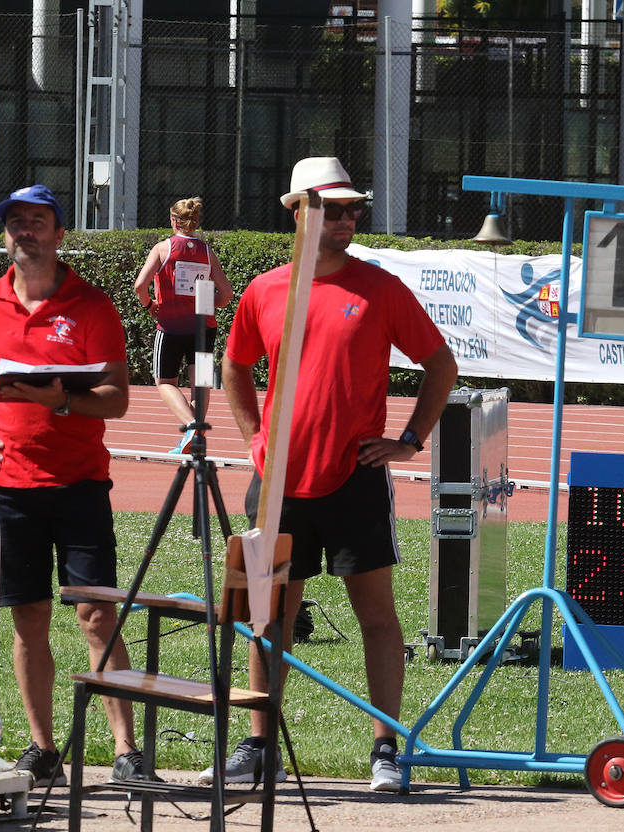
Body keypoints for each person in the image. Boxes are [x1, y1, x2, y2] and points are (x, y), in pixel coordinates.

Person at [205, 157, 457, 793]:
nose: (347, 219)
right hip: (278, 486)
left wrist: (408, 440)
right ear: (298, 212)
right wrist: (253, 437)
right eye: (333, 208)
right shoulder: (264, 291)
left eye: (353, 209)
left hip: (354, 483)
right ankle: (257, 744)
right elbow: (234, 367)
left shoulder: (381, 288)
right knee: (265, 614)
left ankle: (384, 750)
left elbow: (439, 365)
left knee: (377, 615)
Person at [0, 184, 153, 786]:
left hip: (80, 484)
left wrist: (60, 400)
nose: (24, 232)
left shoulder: (91, 304)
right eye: (14, 223)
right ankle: (42, 747)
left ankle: (125, 750)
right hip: (9, 488)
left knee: (96, 616)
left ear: (60, 234)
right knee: (27, 618)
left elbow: (115, 399)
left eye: (36, 221)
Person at [133, 197, 234, 453]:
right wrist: (206, 302)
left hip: (170, 327)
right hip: (203, 328)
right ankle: (196, 434)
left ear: (173, 221)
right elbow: (226, 296)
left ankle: (191, 425)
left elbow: (139, 286)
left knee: (165, 382)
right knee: (199, 381)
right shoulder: (207, 252)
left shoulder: (162, 249)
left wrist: (149, 305)